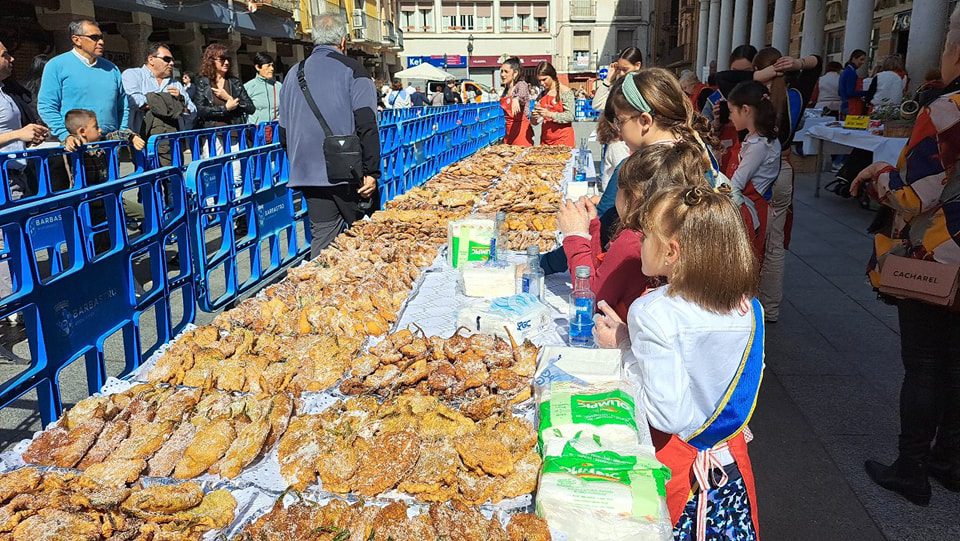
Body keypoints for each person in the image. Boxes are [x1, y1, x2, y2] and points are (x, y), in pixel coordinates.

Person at [594, 185, 763, 539]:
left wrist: (623, 352)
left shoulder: (654, 311)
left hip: (681, 476)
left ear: (671, 251)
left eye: (646, 236)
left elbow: (668, 414)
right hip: (728, 470)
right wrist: (628, 339)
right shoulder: (750, 309)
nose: (639, 242)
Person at [851, 3, 960, 506]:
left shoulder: (946, 111)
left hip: (941, 257)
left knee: (925, 364)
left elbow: (915, 195)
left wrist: (878, 178)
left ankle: (911, 467)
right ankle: (949, 459)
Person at [539, 68, 722, 275]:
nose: (617, 130)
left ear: (644, 121)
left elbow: (604, 229)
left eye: (620, 121)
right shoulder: (696, 155)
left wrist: (545, 262)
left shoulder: (637, 169)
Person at [558, 141, 709, 321]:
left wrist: (575, 237)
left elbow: (592, 299)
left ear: (632, 196)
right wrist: (592, 228)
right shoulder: (680, 229)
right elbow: (605, 275)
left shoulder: (633, 240)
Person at [278, 13, 380, 257]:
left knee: (324, 238)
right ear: (343, 41)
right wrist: (372, 171)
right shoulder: (354, 71)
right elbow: (367, 124)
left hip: (306, 170)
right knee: (365, 238)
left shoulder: (293, 73)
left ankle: (318, 287)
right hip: (348, 171)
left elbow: (283, 131)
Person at [37, 19, 129, 149]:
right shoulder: (56, 65)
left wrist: (122, 133)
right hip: (75, 145)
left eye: (101, 37)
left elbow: (123, 105)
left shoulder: (112, 69)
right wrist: (65, 135)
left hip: (109, 145)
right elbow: (47, 106)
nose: (101, 42)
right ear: (76, 40)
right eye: (94, 38)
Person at [726, 81, 781, 261]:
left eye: (732, 111)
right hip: (751, 207)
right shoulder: (756, 138)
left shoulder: (758, 146)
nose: (730, 117)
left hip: (752, 211)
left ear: (746, 110)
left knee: (747, 263)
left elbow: (736, 184)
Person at [121, 43, 196, 166]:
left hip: (173, 144)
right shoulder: (132, 75)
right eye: (167, 59)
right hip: (143, 141)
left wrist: (180, 99)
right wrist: (172, 103)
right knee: (148, 180)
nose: (171, 63)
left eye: (172, 60)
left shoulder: (176, 84)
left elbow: (192, 112)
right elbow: (134, 101)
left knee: (173, 180)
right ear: (151, 59)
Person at [0, 40, 48, 201]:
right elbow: (14, 134)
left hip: (18, 175)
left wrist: (30, 137)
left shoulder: (6, 92)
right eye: (4, 54)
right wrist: (19, 134)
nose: (11, 58)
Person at [194, 43, 254, 129]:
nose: (226, 62)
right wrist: (224, 109)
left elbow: (251, 108)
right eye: (222, 59)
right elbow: (200, 110)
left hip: (235, 133)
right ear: (211, 61)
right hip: (212, 134)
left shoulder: (234, 82)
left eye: (228, 59)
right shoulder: (203, 82)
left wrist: (229, 98)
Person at [532, 61, 575, 147]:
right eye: (539, 80)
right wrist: (535, 116)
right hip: (546, 142)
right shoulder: (542, 94)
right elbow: (535, 122)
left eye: (544, 79)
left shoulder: (565, 92)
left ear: (552, 76)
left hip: (563, 141)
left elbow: (570, 116)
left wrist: (550, 114)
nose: (542, 83)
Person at [592, 47, 643, 112]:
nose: (621, 73)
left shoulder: (645, 86)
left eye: (625, 69)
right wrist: (608, 80)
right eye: (619, 69)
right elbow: (597, 105)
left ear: (637, 65)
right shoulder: (619, 86)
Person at [499, 56, 534, 146]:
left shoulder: (521, 84)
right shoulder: (505, 90)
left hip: (521, 132)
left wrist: (516, 98)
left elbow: (522, 94)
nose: (502, 74)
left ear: (515, 73)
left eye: (506, 71)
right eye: (501, 71)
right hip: (509, 132)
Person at [244, 52, 282, 125]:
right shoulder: (248, 87)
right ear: (258, 67)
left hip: (275, 131)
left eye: (272, 65)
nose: (272, 69)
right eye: (268, 66)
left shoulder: (278, 86)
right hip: (256, 132)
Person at [839, 49, 869, 116]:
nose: (863, 62)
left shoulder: (846, 71)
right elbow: (850, 92)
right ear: (854, 58)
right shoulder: (851, 72)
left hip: (845, 104)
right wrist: (867, 92)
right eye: (861, 59)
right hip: (851, 105)